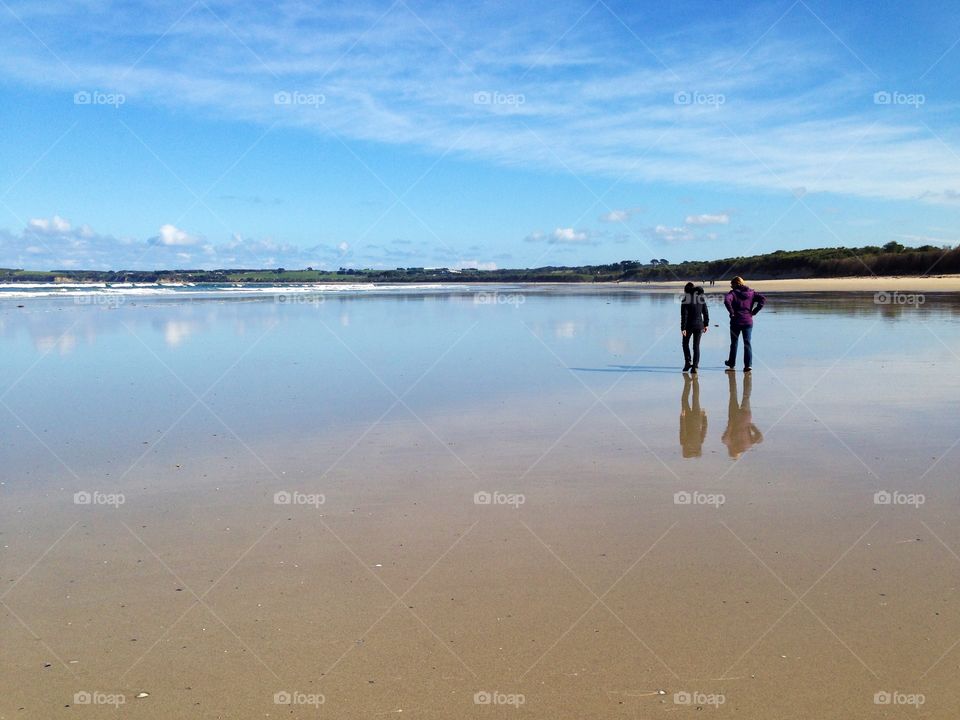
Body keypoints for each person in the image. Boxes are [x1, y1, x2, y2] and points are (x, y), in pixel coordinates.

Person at [723, 276, 765, 372]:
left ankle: (731, 363)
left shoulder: (733, 293)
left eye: (732, 285)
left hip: (735, 321)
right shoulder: (751, 293)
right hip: (748, 321)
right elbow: (763, 299)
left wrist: (732, 312)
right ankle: (748, 365)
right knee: (747, 343)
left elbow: (726, 300)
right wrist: (755, 311)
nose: (731, 287)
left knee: (734, 343)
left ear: (736, 284)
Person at [721, 371, 763, 458]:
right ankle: (732, 376)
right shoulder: (732, 443)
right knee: (733, 394)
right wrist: (750, 426)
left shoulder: (747, 445)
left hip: (745, 418)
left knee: (746, 396)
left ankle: (748, 378)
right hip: (735, 417)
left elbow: (759, 437)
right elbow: (725, 436)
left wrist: (751, 426)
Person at [680, 282, 709, 373]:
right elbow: (705, 312)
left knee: (685, 344)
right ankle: (695, 366)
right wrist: (706, 324)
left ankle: (688, 362)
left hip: (689, 325)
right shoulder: (701, 298)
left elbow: (684, 315)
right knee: (696, 346)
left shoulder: (685, 299)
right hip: (699, 325)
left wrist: (683, 328)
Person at [679, 374, 707, 458]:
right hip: (689, 418)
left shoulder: (700, 442)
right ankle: (689, 382)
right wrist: (682, 418)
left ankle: (695, 380)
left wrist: (704, 417)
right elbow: (682, 429)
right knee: (685, 399)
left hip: (697, 419)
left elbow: (704, 429)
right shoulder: (684, 443)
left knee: (695, 397)